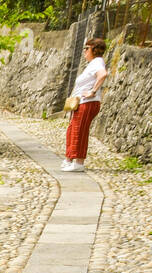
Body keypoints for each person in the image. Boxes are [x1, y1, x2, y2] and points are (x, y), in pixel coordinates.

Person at [63, 38, 108, 172]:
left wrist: (92, 91)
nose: (84, 52)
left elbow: (103, 74)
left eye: (86, 49)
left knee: (79, 131)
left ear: (94, 50)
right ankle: (70, 158)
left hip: (88, 102)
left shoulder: (97, 62)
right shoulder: (93, 63)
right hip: (81, 102)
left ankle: (79, 162)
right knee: (73, 129)